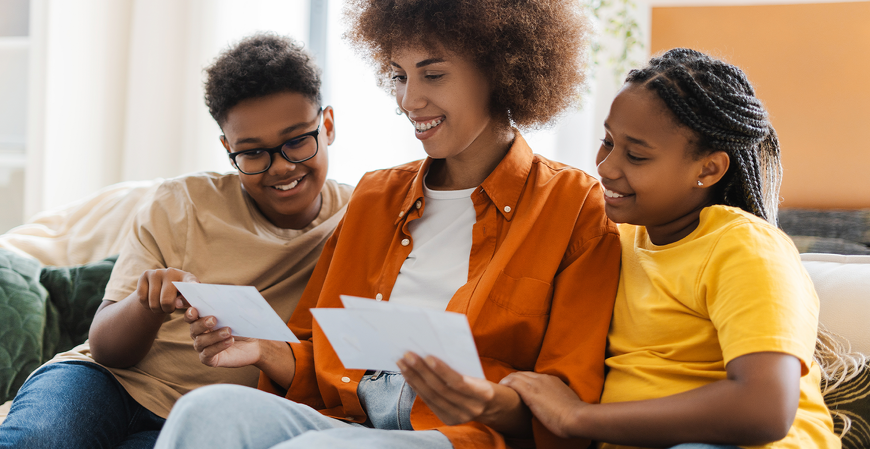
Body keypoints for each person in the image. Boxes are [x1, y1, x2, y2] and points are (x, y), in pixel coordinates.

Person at [153, 1, 620, 449]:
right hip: (347, 421)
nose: (408, 100)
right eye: (398, 75)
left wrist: (489, 400)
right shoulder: (374, 197)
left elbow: (568, 403)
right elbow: (320, 355)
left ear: (501, 69)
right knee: (204, 410)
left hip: (460, 435)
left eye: (433, 74)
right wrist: (262, 349)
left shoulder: (574, 205)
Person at [0, 33, 352, 449]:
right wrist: (146, 304)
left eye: (297, 141)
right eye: (253, 153)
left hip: (215, 415)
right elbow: (107, 349)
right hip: (104, 383)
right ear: (228, 148)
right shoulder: (180, 203)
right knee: (39, 440)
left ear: (327, 125)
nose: (279, 167)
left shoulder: (360, 219)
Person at [500, 48, 841, 449]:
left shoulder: (744, 247)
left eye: (636, 155)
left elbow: (764, 409)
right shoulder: (612, 240)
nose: (606, 167)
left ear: (708, 169)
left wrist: (578, 417)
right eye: (607, 141)